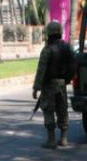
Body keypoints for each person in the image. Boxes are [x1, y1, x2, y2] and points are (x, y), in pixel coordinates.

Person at [32, 21, 75, 149]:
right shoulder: (68, 48)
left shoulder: (47, 50)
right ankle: (64, 138)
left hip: (49, 85)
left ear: (49, 34)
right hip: (62, 84)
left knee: (49, 110)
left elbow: (41, 70)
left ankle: (51, 140)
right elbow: (73, 65)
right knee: (62, 110)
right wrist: (67, 79)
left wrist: (36, 87)